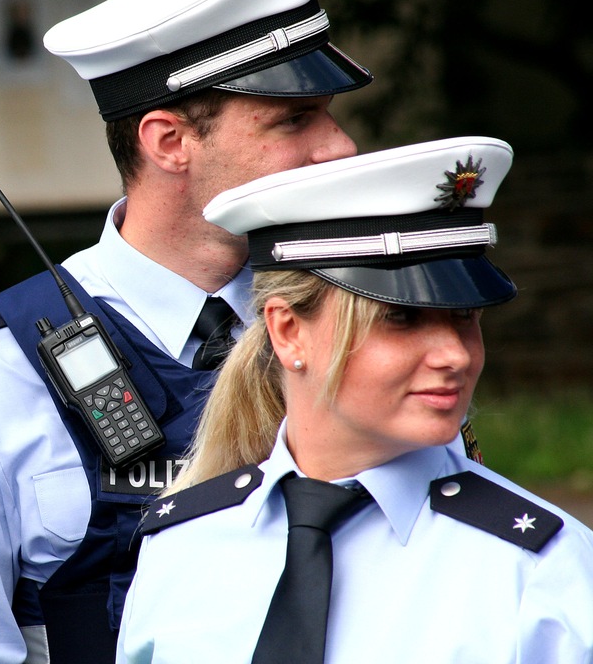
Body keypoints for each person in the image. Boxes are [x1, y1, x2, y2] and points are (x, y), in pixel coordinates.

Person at [0, 0, 374, 663]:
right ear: (169, 142)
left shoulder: (361, 326)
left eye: (331, 116)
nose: (338, 148)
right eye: (294, 120)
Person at [118, 137, 593, 662]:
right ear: (288, 331)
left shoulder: (537, 570)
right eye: (401, 318)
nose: (454, 355)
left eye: (465, 317)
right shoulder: (183, 546)